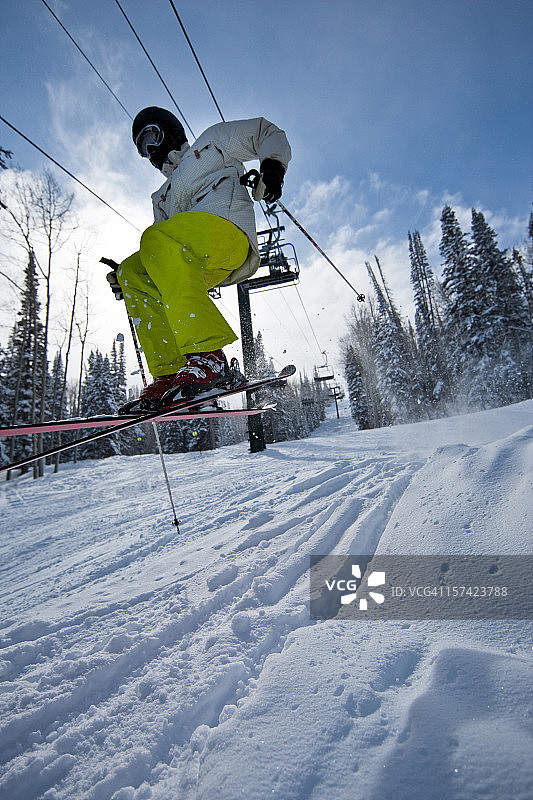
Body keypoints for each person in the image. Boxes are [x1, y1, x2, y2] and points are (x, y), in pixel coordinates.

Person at [109, 107, 291, 412]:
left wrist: (272, 168)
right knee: (133, 272)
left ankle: (209, 355)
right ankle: (170, 371)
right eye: (142, 147)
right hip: (198, 256)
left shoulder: (211, 144)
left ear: (169, 130)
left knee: (154, 239)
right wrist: (130, 280)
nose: (150, 149)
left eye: (151, 136)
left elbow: (265, 132)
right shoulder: (161, 197)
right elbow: (165, 258)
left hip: (227, 233)